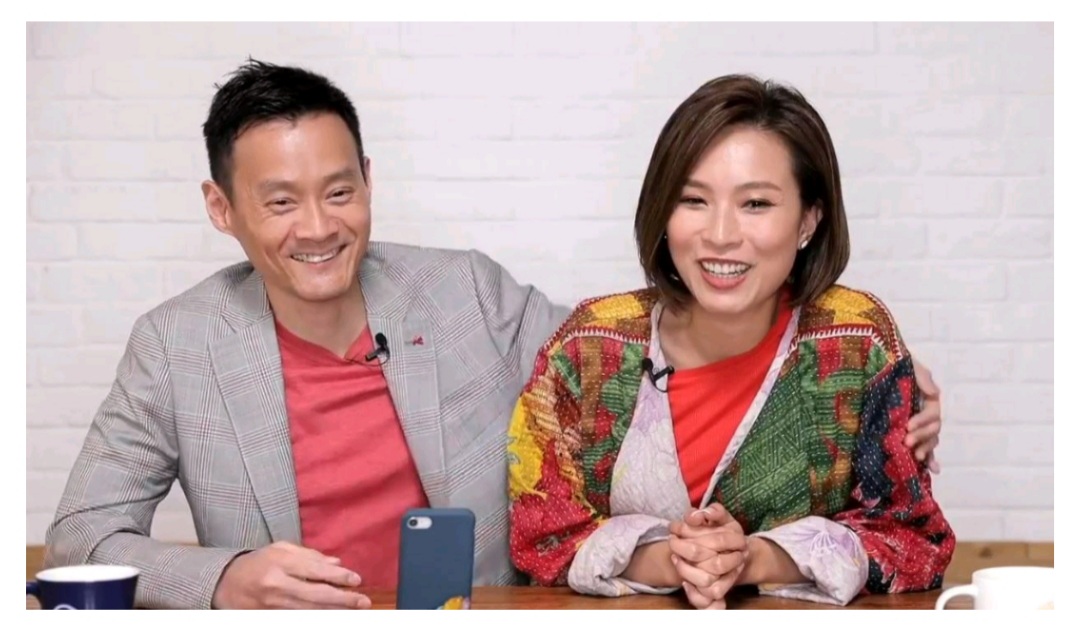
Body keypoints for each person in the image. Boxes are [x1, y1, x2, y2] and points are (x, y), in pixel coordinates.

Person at [42, 60, 946, 610]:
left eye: (339, 190)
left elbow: (636, 361)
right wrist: (225, 578)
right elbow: (79, 537)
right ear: (221, 207)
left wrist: (888, 390)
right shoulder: (177, 345)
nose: (317, 226)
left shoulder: (464, 293)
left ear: (369, 181)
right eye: (279, 202)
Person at [506, 74, 956, 609]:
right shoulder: (587, 346)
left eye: (756, 204)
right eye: (693, 200)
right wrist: (675, 560)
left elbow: (912, 539)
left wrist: (752, 559)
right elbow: (542, 536)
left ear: (809, 220)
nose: (720, 235)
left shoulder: (858, 340)